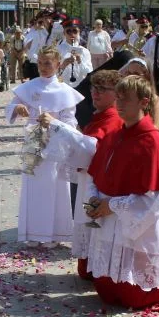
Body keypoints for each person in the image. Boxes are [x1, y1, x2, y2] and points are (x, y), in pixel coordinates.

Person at [76, 75, 159, 309]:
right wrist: (94, 199)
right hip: (108, 222)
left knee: (136, 296)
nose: (119, 104)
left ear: (143, 102)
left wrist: (111, 206)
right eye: (118, 98)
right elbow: (95, 174)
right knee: (106, 290)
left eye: (126, 99)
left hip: (132, 227)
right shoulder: (114, 136)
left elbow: (158, 199)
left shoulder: (154, 142)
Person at [42, 69, 124, 279]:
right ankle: (90, 266)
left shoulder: (112, 118)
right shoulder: (99, 116)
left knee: (95, 225)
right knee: (87, 224)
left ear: (116, 93)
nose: (95, 94)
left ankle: (97, 269)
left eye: (102, 89)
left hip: (100, 183)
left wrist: (57, 126)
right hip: (89, 179)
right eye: (93, 88)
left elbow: (90, 148)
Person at [6, 46, 83, 248]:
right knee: (33, 186)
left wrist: (55, 124)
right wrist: (18, 108)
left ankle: (54, 234)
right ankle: (32, 232)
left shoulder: (65, 91)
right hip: (33, 141)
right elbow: (12, 107)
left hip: (55, 144)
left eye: (48, 63)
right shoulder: (29, 86)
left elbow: (70, 121)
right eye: (40, 63)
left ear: (58, 64)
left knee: (55, 186)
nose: (43, 67)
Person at [57, 19, 92, 88]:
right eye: (68, 31)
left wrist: (80, 62)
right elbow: (52, 73)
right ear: (64, 33)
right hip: (63, 86)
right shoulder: (57, 50)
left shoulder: (85, 51)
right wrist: (63, 65)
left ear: (79, 32)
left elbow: (89, 72)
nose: (72, 34)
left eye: (75, 31)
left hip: (81, 86)